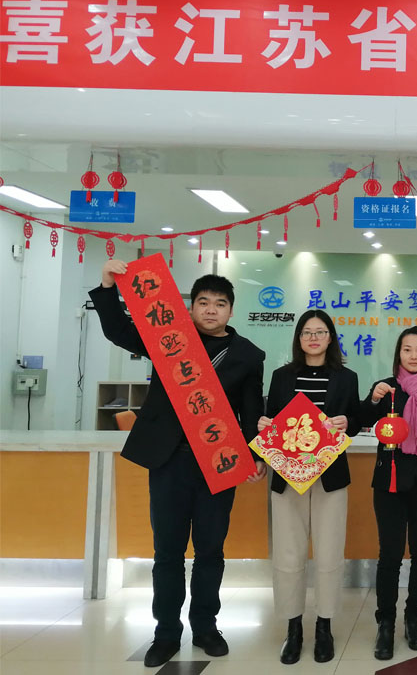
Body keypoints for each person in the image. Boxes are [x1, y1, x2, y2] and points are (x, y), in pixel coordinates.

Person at [89, 260, 266, 668]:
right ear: (191, 307)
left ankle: (205, 627)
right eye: (203, 302)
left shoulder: (247, 355)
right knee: (167, 551)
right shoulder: (170, 338)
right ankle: (166, 632)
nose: (211, 310)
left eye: (219, 303)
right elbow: (118, 331)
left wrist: (256, 455)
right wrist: (107, 287)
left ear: (231, 310)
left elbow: (251, 410)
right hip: (169, 460)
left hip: (218, 463)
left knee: (210, 550)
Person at [256, 310, 361, 664]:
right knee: (288, 554)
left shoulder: (346, 377)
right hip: (288, 476)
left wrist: (348, 422)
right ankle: (293, 628)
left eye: (320, 332)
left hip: (330, 476)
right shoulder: (282, 376)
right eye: (306, 332)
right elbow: (271, 420)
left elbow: (354, 420)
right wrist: (265, 424)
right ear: (298, 338)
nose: (313, 338)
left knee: (329, 553)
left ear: (331, 337)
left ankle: (325, 626)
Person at [359, 326, 417, 660]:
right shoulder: (386, 388)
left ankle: (414, 619)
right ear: (398, 353)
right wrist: (373, 400)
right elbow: (359, 420)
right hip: (390, 484)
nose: (413, 355)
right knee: (390, 555)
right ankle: (385, 623)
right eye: (407, 349)